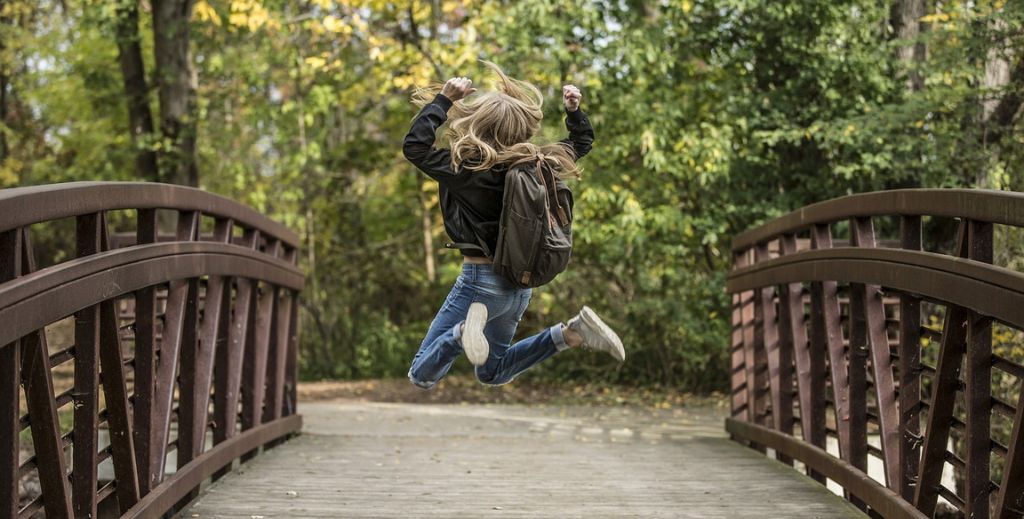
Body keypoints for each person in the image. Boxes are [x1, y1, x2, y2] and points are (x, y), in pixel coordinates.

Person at [402, 61, 624, 390]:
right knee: (492, 372)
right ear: (520, 127)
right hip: (519, 287)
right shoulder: (538, 164)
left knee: (421, 375)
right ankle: (571, 333)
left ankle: (462, 333)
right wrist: (574, 113)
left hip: (479, 285)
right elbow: (581, 144)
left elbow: (415, 147)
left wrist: (444, 100)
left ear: (478, 122)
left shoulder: (464, 167)